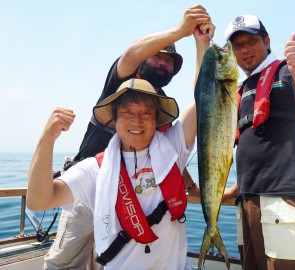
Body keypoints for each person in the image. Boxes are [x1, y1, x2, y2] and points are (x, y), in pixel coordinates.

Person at [41, 5, 213, 269]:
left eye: (170, 62)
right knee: (63, 264)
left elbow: (174, 151)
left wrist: (202, 45)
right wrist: (180, 32)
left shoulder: (162, 108)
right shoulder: (120, 85)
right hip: (86, 192)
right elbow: (131, 53)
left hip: (131, 202)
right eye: (159, 56)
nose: (165, 63)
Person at [27, 77, 205, 269]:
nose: (137, 120)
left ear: (155, 119)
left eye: (146, 112)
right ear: (114, 119)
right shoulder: (94, 169)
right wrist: (47, 138)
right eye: (127, 112)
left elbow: (204, 96)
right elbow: (39, 201)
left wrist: (202, 47)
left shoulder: (172, 150)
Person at [222, 15, 295, 269]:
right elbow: (257, 144)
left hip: (287, 199)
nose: (245, 49)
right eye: (238, 46)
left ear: (267, 41)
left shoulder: (289, 71)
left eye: (252, 41)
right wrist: (236, 188)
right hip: (249, 202)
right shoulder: (242, 88)